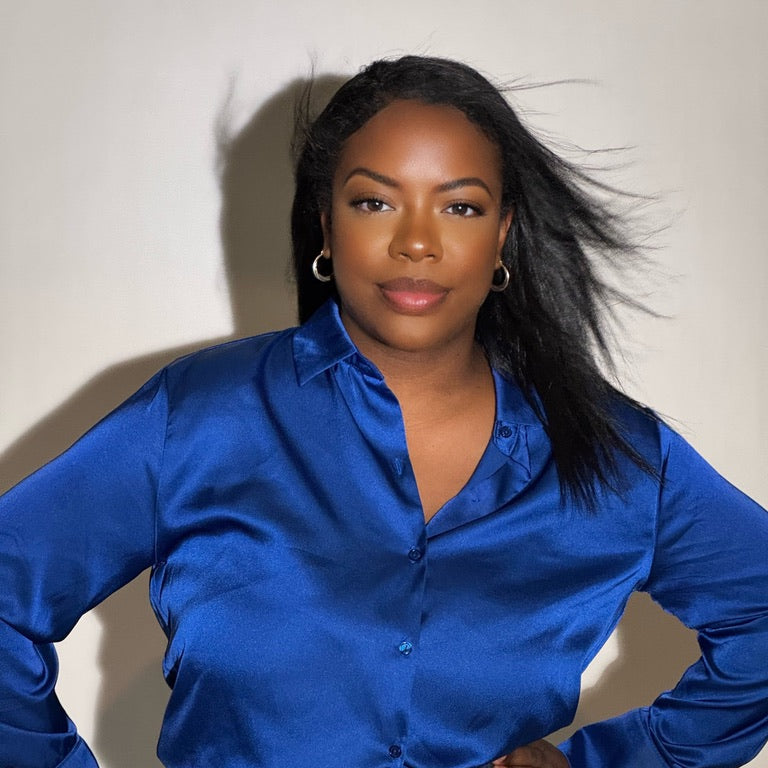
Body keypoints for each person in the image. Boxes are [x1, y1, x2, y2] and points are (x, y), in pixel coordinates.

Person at [1, 55, 767, 768]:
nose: (416, 244)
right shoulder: (203, 418)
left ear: (502, 234)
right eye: (374, 200)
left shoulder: (615, 457)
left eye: (460, 207)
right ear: (326, 225)